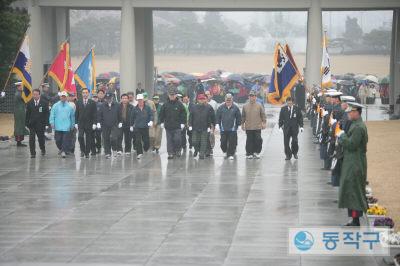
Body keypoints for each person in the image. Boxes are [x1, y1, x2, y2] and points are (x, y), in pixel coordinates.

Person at [337, 102, 368, 226]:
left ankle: (356, 220)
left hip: (355, 162)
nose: (349, 114)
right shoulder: (356, 125)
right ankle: (353, 218)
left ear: (356, 112)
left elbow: (352, 144)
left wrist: (342, 135)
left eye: (351, 112)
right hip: (351, 161)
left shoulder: (359, 127)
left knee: (354, 190)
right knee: (350, 189)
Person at [159, 88, 186, 159]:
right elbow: (161, 114)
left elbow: (184, 114)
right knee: (169, 140)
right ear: (168, 95)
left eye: (173, 95)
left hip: (177, 126)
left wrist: (183, 123)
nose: (172, 96)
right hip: (168, 126)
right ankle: (170, 153)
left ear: (176, 95)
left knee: (178, 139)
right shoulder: (165, 105)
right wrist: (161, 122)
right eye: (170, 95)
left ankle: (178, 150)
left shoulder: (180, 104)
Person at [49, 91, 75, 158]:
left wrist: (72, 125)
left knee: (65, 140)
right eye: (62, 96)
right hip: (58, 126)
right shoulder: (55, 105)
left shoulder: (70, 107)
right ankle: (61, 149)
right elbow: (52, 115)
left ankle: (63, 151)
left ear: (66, 97)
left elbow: (72, 117)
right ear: (60, 97)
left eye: (64, 97)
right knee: (58, 140)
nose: (63, 98)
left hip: (67, 126)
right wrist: (52, 122)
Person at [241, 90, 266, 159]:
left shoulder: (259, 105)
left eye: (253, 96)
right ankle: (249, 153)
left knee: (258, 139)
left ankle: (257, 152)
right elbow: (243, 116)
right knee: (249, 140)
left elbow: (263, 115)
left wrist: (264, 123)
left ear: (256, 97)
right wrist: (242, 124)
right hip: (248, 126)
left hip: (257, 126)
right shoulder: (245, 106)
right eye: (251, 96)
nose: (252, 97)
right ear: (249, 97)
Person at [215, 93, 241, 160]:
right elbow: (217, 117)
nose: (228, 101)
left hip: (232, 129)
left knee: (232, 142)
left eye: (230, 100)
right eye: (227, 100)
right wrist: (217, 124)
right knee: (223, 142)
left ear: (232, 100)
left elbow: (238, 117)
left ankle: (230, 154)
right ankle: (225, 151)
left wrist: (239, 125)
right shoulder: (221, 107)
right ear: (225, 100)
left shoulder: (235, 108)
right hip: (223, 129)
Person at [189, 94, 214, 159]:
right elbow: (190, 117)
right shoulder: (193, 107)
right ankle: (197, 150)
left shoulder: (208, 107)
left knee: (203, 141)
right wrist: (190, 125)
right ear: (198, 100)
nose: (202, 100)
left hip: (204, 127)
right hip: (195, 127)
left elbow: (210, 118)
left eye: (203, 99)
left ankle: (201, 153)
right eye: (200, 99)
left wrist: (209, 126)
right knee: (194, 141)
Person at [25, 89, 49, 158]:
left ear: (39, 95)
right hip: (32, 124)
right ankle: (33, 153)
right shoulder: (29, 103)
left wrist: (47, 124)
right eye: (34, 94)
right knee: (31, 139)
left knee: (41, 139)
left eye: (36, 94)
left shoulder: (44, 103)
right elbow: (27, 114)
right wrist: (26, 124)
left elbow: (47, 114)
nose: (35, 96)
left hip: (41, 124)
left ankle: (42, 149)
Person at [97, 92, 121, 159]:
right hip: (105, 125)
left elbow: (120, 114)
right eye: (107, 98)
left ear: (112, 98)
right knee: (106, 139)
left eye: (109, 98)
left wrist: (120, 122)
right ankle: (107, 153)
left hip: (114, 125)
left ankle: (114, 150)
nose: (108, 100)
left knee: (114, 138)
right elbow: (99, 115)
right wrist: (98, 122)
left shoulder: (117, 105)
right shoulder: (102, 105)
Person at [75, 88, 97, 158]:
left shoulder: (92, 102)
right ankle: (82, 150)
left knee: (88, 139)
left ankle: (87, 152)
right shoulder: (78, 102)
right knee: (80, 137)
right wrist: (76, 123)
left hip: (89, 123)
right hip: (81, 124)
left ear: (88, 94)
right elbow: (76, 113)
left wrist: (94, 123)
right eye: (83, 93)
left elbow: (94, 114)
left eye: (86, 93)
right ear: (81, 94)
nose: (85, 94)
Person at [131, 94, 153, 159]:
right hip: (137, 127)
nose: (140, 101)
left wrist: (151, 121)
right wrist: (131, 125)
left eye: (141, 100)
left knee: (146, 141)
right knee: (137, 140)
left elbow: (151, 115)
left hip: (145, 127)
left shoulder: (148, 108)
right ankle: (139, 153)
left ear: (143, 100)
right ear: (137, 100)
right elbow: (132, 118)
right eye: (139, 100)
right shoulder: (135, 109)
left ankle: (146, 148)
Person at [13, 81, 29, 147]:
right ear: (18, 87)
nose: (21, 87)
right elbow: (26, 99)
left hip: (20, 111)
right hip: (19, 112)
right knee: (19, 126)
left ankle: (19, 142)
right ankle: (18, 142)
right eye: (20, 86)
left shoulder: (19, 93)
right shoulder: (18, 94)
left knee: (20, 125)